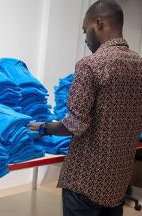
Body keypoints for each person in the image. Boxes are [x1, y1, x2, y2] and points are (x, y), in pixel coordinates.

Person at [28, 0, 142, 215]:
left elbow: (74, 125)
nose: (85, 38)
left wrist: (43, 126)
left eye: (85, 30)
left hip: (86, 180)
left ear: (99, 24)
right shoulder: (139, 65)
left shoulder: (90, 65)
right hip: (116, 182)